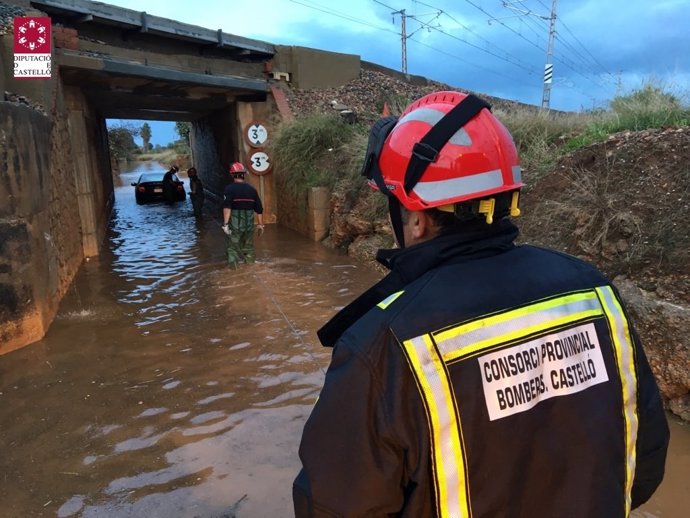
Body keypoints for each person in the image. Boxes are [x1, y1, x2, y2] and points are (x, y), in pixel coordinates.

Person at [293, 91, 669, 517]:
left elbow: (332, 508)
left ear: (416, 218)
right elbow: (644, 461)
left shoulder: (382, 345)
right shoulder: (593, 292)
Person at [221, 162, 264, 268]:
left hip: (235, 224)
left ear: (232, 175)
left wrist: (226, 224)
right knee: (248, 247)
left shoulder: (229, 189)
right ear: (244, 175)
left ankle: (234, 271)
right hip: (249, 225)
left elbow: (227, 208)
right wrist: (260, 225)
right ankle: (251, 268)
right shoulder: (252, 190)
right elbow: (259, 209)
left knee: (232, 248)